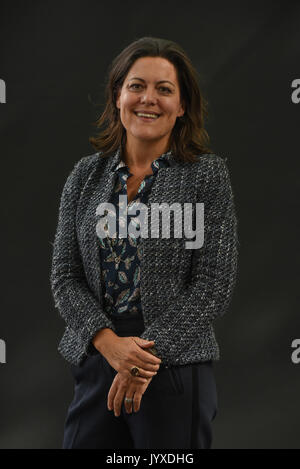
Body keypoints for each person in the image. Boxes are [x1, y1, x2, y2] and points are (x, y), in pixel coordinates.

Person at [50, 36, 239, 449]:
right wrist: (109, 345)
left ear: (182, 105)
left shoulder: (206, 176)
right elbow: (65, 278)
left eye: (164, 89)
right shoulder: (84, 176)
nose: (148, 99)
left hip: (173, 365)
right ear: (118, 95)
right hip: (97, 356)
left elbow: (213, 285)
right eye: (136, 86)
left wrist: (141, 361)